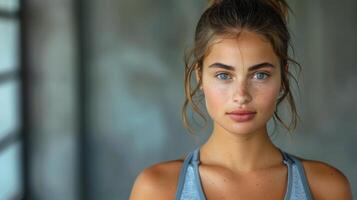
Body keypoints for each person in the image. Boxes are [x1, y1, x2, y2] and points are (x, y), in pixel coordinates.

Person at [130, 0, 353, 199]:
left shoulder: (325, 188)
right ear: (200, 75)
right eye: (224, 75)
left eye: (260, 75)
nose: (241, 96)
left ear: (283, 76)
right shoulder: (157, 189)